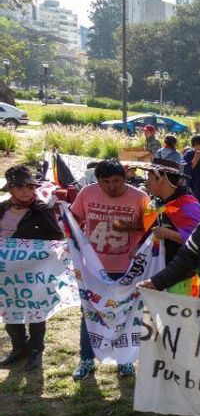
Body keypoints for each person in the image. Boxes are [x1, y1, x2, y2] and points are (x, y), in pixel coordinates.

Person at [70, 159, 149, 380]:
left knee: (126, 314)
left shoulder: (140, 197)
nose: (112, 186)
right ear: (98, 180)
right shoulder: (86, 193)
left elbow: (152, 226)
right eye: (106, 182)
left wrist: (128, 227)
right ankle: (87, 359)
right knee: (90, 314)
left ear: (125, 178)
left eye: (117, 181)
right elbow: (73, 220)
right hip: (93, 269)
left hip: (128, 269)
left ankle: (125, 361)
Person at [0, 166, 65, 370]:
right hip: (7, 272)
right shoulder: (2, 209)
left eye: (29, 187)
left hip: (35, 271)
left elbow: (56, 239)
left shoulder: (42, 210)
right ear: (11, 189)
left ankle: (36, 349)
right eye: (20, 187)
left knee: (36, 310)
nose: (25, 191)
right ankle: (18, 348)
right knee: (10, 308)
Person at [138, 157, 200, 294]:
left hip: (180, 277)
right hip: (154, 272)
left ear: (160, 178)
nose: (146, 181)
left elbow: (199, 240)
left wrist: (168, 234)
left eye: (149, 175)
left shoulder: (188, 205)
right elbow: (144, 230)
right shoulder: (155, 203)